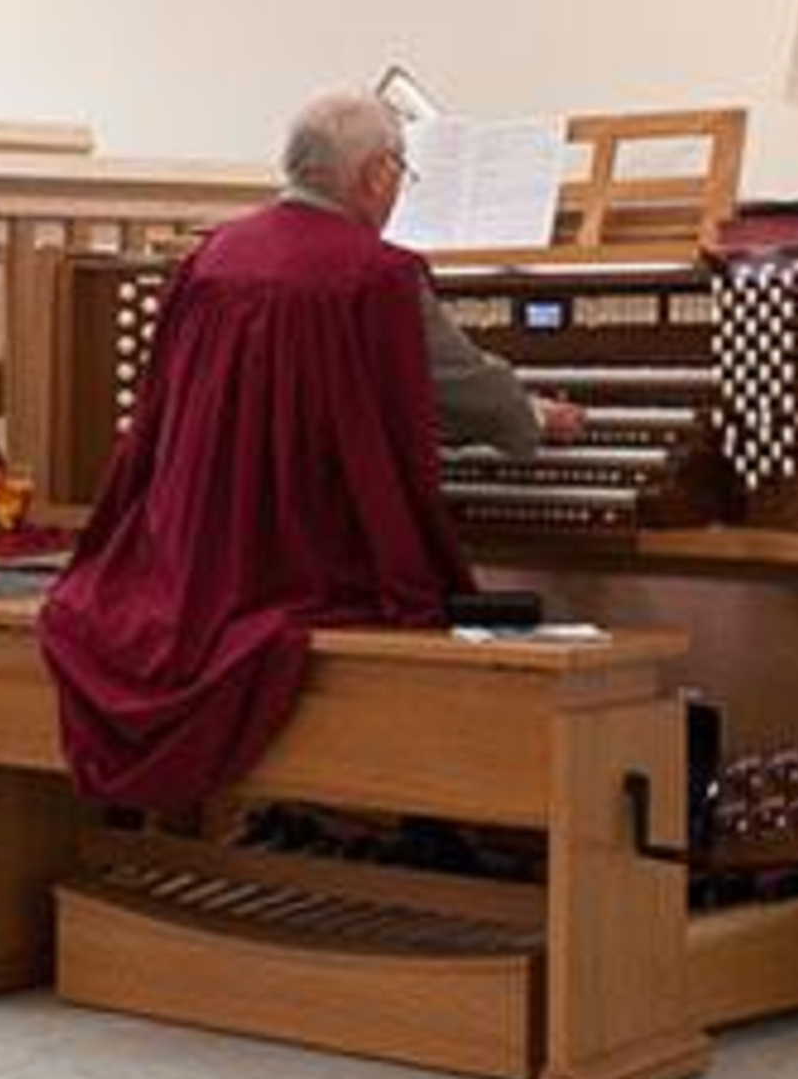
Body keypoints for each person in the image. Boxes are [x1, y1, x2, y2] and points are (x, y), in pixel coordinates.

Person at [40, 90, 574, 813]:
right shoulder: (374, 274)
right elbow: (460, 389)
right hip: (304, 559)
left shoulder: (212, 259)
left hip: (194, 547)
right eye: (401, 176)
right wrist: (534, 419)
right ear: (377, 176)